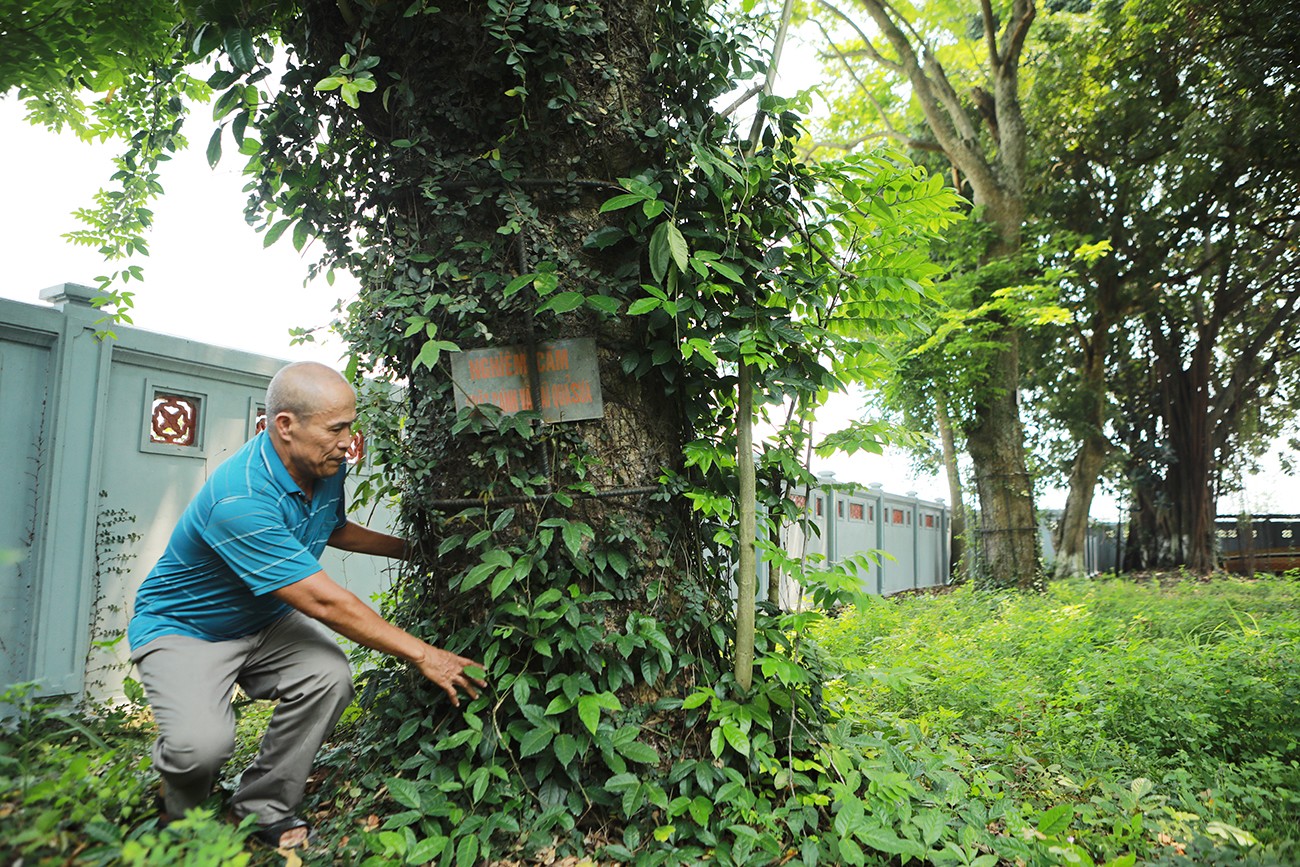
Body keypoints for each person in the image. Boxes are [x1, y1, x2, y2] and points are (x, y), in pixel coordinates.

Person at [127, 361, 486, 849]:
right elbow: (322, 600)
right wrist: (426, 654)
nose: (347, 441)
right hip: (187, 627)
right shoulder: (241, 497)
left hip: (265, 619)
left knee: (328, 678)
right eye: (336, 428)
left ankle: (262, 805)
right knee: (201, 746)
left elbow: (332, 528)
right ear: (285, 426)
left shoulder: (324, 466)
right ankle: (179, 813)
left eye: (350, 427)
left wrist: (413, 550)